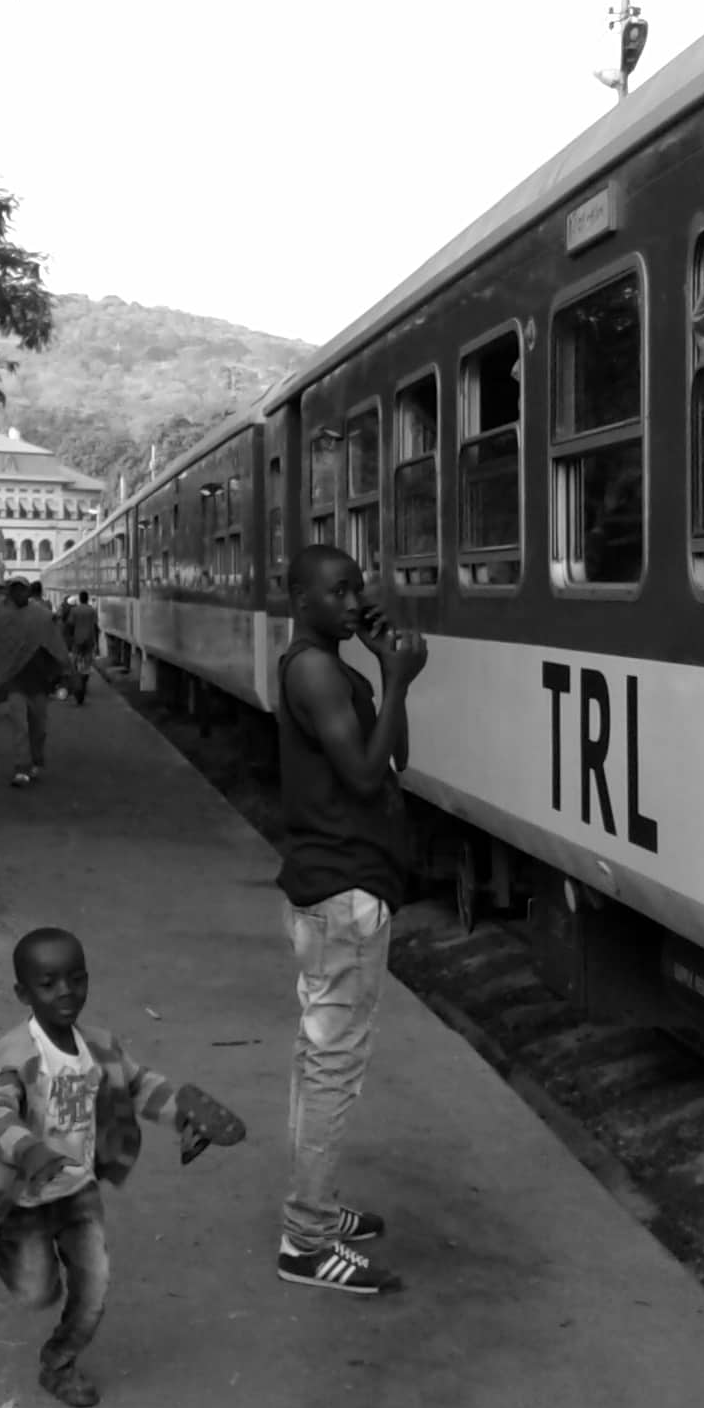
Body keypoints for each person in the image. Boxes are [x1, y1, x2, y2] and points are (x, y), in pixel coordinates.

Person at [0, 927, 246, 1406]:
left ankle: (59, 1363)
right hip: (25, 1198)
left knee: (94, 1289)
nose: (65, 992)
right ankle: (20, 1258)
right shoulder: (17, 1058)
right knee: (35, 1290)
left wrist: (184, 1114)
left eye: (76, 979)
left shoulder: (99, 1047)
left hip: (77, 1191)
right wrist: (28, 1149)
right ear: (22, 993)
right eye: (48, 984)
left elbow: (138, 1085)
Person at [275, 545, 427, 1296]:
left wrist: (386, 673)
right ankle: (305, 1241)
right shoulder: (311, 668)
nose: (352, 601)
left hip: (341, 888)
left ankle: (317, 1207)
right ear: (299, 599)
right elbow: (365, 778)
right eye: (336, 591)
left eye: (356, 589)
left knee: (319, 1059)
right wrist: (396, 677)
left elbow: (393, 755)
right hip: (344, 891)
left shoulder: (338, 666)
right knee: (334, 1067)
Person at [0, 577, 69, 788]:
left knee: (39, 728)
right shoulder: (3, 618)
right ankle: (20, 768)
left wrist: (62, 672)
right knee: (19, 726)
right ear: (10, 593)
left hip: (39, 681)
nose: (18, 594)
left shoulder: (42, 616)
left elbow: (55, 644)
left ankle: (36, 759)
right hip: (15, 682)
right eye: (13, 590)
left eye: (21, 589)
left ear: (28, 591)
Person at [62, 590, 100, 705]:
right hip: (89, 641)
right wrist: (97, 643)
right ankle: (84, 680)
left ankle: (77, 683)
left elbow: (69, 625)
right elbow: (95, 626)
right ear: (87, 599)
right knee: (87, 663)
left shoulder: (74, 610)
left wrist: (68, 640)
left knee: (75, 662)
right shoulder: (92, 610)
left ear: (80, 598)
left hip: (77, 641)